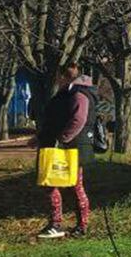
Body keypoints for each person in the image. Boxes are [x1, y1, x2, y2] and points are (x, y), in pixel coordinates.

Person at [34, 64, 94, 239]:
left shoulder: (79, 94)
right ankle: (57, 223)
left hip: (70, 149)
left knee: (71, 186)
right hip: (58, 146)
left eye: (59, 77)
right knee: (51, 184)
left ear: (63, 76)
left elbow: (79, 119)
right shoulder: (66, 94)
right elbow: (55, 120)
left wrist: (63, 138)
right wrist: (40, 137)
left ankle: (76, 225)